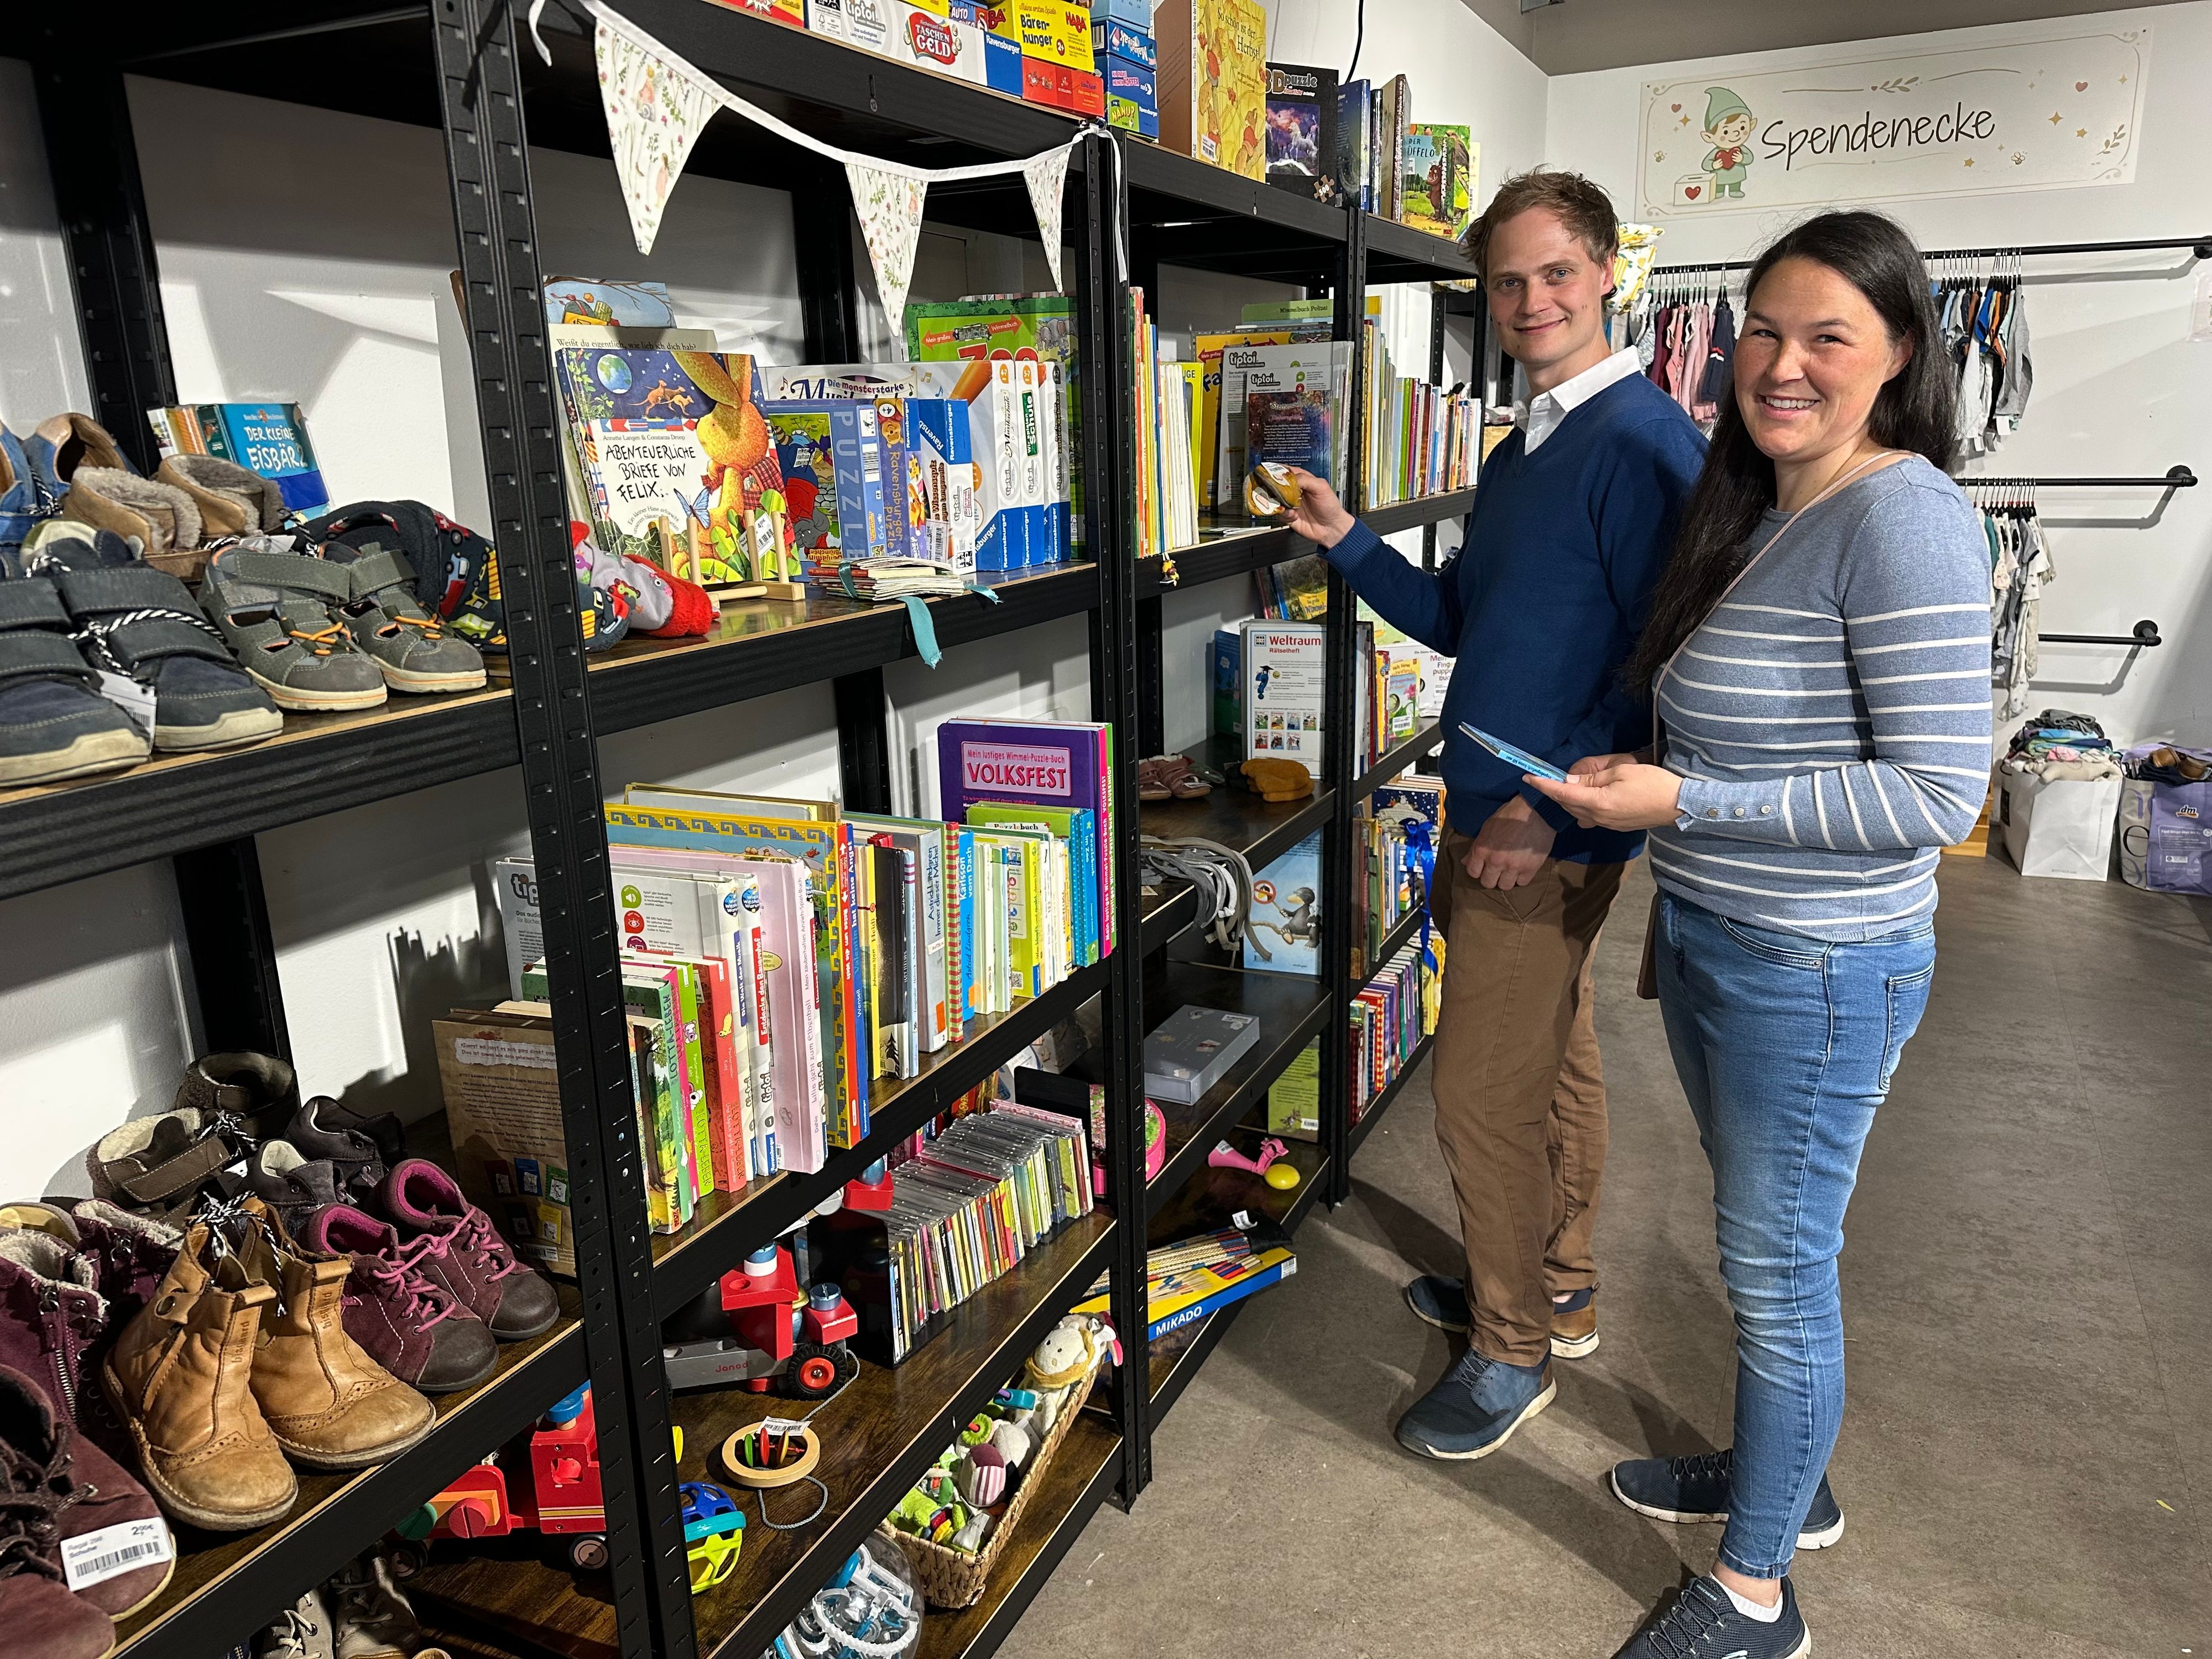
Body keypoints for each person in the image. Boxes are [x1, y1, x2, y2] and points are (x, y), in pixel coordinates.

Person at [1524, 211, 1991, 1658]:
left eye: (1828, 337)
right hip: (1730, 939)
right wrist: (1655, 794)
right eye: (1763, 332)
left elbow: (1937, 793)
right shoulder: (1770, 502)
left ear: (1901, 354)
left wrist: (1687, 796)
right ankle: (1788, 1485)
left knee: (1780, 1266)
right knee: (1765, 1248)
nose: (1781, 365)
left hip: (1818, 969)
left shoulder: (1899, 514)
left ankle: (1755, 1598)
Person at [1280, 168, 1706, 1462]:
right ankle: (1557, 1284)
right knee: (1553, 1058)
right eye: (1506, 280)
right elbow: (1464, 620)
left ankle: (1511, 1346)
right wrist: (1349, 541)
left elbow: (1659, 653)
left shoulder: (1642, 442)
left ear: (1604, 276)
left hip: (1543, 824)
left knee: (1471, 1092)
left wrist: (1538, 807)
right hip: (1499, 808)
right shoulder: (1528, 446)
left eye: (1554, 274)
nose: (1529, 301)